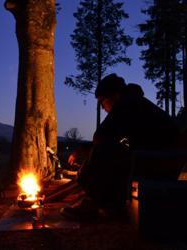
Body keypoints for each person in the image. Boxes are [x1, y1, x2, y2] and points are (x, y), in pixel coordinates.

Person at [61, 73, 180, 221]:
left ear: (114, 96)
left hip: (157, 162)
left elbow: (101, 136)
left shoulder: (127, 103)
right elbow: (125, 138)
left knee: (103, 151)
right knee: (112, 149)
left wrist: (84, 156)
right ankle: (110, 204)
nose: (103, 108)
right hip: (165, 161)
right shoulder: (136, 102)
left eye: (102, 102)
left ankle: (95, 203)